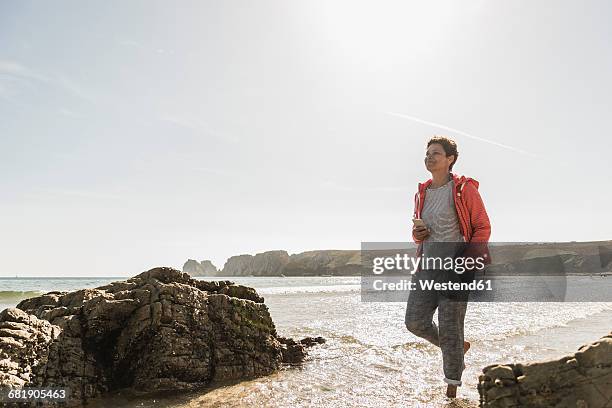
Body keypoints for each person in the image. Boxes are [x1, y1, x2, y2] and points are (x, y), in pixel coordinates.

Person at [404, 136, 491, 398]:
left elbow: (482, 226)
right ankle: (456, 347)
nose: (429, 158)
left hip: (457, 265)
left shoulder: (465, 189)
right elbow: (418, 236)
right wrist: (419, 232)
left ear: (450, 159)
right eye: (427, 153)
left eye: (436, 153)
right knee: (415, 322)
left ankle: (451, 391)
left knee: (450, 326)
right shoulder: (422, 193)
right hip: (427, 265)